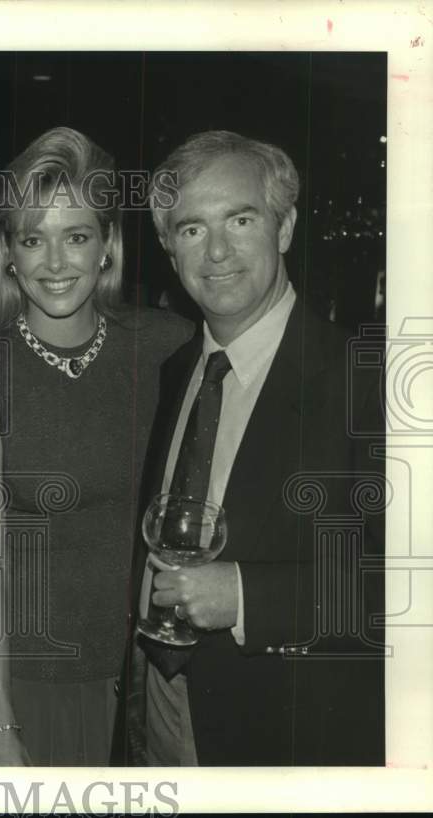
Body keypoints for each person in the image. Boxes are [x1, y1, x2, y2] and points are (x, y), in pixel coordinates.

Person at [0, 127, 192, 766]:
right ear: (8, 254)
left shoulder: (165, 346)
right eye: (32, 238)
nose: (55, 263)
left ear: (108, 244)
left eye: (76, 236)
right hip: (32, 690)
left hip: (152, 682)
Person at [134, 130, 384, 766]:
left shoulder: (368, 380)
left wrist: (246, 596)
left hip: (290, 737)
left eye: (240, 219)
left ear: (285, 226)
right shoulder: (175, 371)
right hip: (159, 707)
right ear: (168, 247)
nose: (216, 251)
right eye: (191, 229)